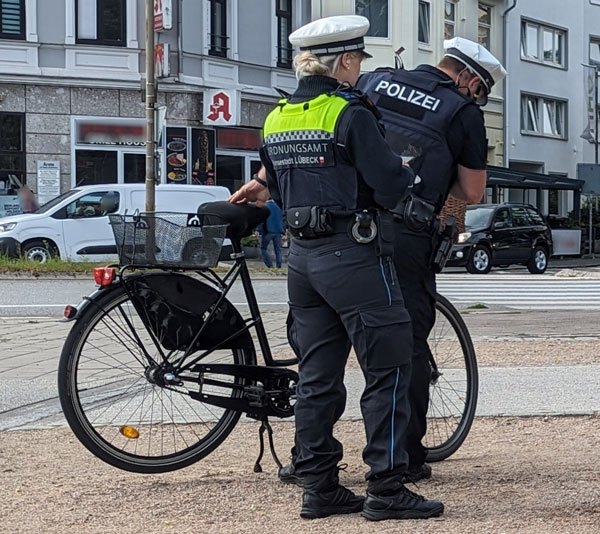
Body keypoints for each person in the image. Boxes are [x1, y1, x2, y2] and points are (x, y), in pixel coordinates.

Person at [231, 15, 443, 521]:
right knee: (390, 366)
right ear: (345, 60)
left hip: (302, 262)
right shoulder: (350, 113)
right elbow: (390, 186)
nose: (359, 69)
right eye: (358, 60)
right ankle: (387, 488)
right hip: (355, 256)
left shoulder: (277, 116)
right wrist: (404, 172)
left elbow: (280, 188)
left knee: (317, 375)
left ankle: (319, 485)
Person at [355, 37, 507, 483]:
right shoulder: (461, 113)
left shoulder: (374, 79)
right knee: (408, 342)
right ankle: (406, 458)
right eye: (478, 91)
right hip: (404, 234)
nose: (474, 99)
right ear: (466, 77)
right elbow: (473, 192)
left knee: (328, 338)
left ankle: (311, 460)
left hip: (347, 228)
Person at [258, 199, 285, 268]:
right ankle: (279, 266)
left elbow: (261, 219)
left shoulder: (265, 207)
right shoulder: (279, 207)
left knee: (263, 248)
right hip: (278, 230)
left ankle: (269, 265)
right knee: (278, 250)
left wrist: (258, 230)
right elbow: (283, 218)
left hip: (268, 231)